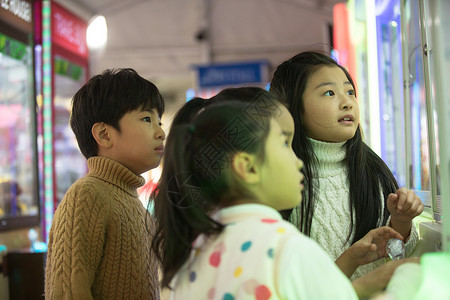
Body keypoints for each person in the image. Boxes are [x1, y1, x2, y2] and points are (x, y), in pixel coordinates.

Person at [151, 92, 405, 299]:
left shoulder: (194, 253)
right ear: (248, 167)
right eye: (285, 144)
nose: (298, 161)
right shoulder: (287, 248)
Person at [269, 50, 424, 279]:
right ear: (293, 109)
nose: (347, 102)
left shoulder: (373, 171)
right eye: (329, 93)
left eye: (350, 92)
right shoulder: (284, 184)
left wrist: (401, 223)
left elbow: (396, 257)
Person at [45, 68, 165, 299]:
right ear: (104, 134)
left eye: (159, 121)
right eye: (147, 119)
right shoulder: (87, 195)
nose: (161, 132)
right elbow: (67, 293)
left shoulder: (132, 202)